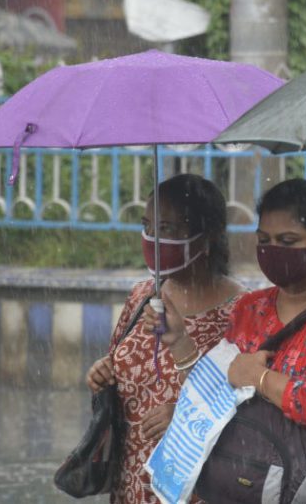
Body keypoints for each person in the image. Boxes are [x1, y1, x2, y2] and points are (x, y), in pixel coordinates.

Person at [149, 178, 306, 504]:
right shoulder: (251, 308)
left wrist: (260, 379)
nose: (273, 251)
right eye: (264, 240)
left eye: (287, 241)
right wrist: (179, 342)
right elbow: (218, 389)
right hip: (245, 485)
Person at [85, 173, 244, 504]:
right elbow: (119, 366)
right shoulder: (143, 296)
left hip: (194, 490)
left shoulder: (241, 313)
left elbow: (247, 413)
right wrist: (103, 375)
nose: (152, 238)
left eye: (168, 229)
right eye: (147, 226)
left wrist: (185, 415)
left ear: (207, 237)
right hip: (129, 486)